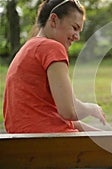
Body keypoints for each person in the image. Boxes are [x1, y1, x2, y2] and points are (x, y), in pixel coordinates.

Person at [3, 0, 106, 133]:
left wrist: (106, 135)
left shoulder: (28, 48)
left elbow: (65, 120)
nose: (77, 37)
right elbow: (69, 110)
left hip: (27, 142)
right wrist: (91, 108)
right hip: (49, 143)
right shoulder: (52, 47)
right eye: (74, 28)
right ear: (53, 20)